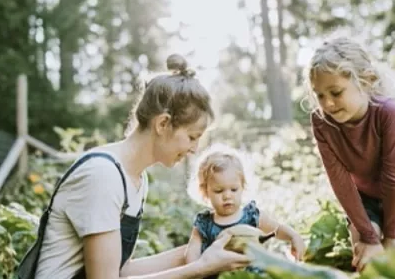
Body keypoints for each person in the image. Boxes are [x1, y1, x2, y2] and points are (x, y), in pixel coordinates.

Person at [34, 54, 251, 279]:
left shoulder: (135, 178)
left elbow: (122, 271)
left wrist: (203, 252)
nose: (194, 149)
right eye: (192, 137)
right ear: (163, 123)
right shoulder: (103, 175)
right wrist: (198, 269)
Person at [303, 38, 395, 272]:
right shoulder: (321, 121)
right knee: (366, 259)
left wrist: (391, 236)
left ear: (366, 81)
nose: (327, 103)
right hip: (363, 200)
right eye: (319, 95)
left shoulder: (388, 113)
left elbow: (392, 177)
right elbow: (340, 182)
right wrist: (369, 238)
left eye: (336, 92)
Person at [184, 143, 306, 278]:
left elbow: (276, 228)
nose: (227, 196)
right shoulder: (204, 223)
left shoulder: (251, 216)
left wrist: (293, 237)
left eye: (234, 189)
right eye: (219, 191)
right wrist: (194, 271)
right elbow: (192, 251)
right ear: (205, 192)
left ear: (243, 187)